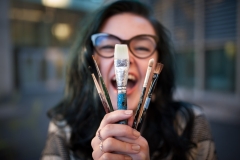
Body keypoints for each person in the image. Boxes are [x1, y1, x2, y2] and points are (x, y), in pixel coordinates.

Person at [41, 0, 217, 159]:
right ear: (91, 60)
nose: (126, 58)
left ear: (158, 62)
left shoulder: (191, 124)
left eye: (141, 47)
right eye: (109, 46)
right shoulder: (64, 129)